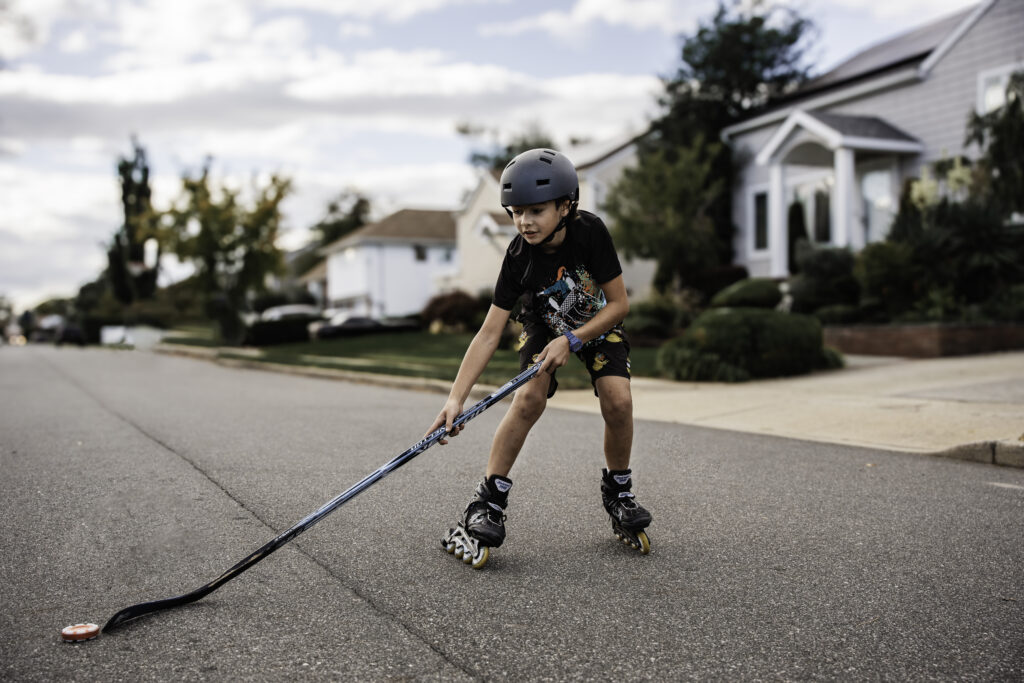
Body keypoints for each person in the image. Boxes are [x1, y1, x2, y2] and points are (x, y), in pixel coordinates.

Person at [427, 148, 652, 566]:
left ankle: (619, 492)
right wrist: (456, 397)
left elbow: (619, 305)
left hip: (597, 323)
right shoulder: (517, 257)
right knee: (528, 399)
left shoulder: (591, 233)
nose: (524, 222)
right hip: (542, 326)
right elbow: (489, 333)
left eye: (535, 211)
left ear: (566, 206)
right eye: (516, 212)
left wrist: (574, 339)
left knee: (618, 399)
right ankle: (487, 501)